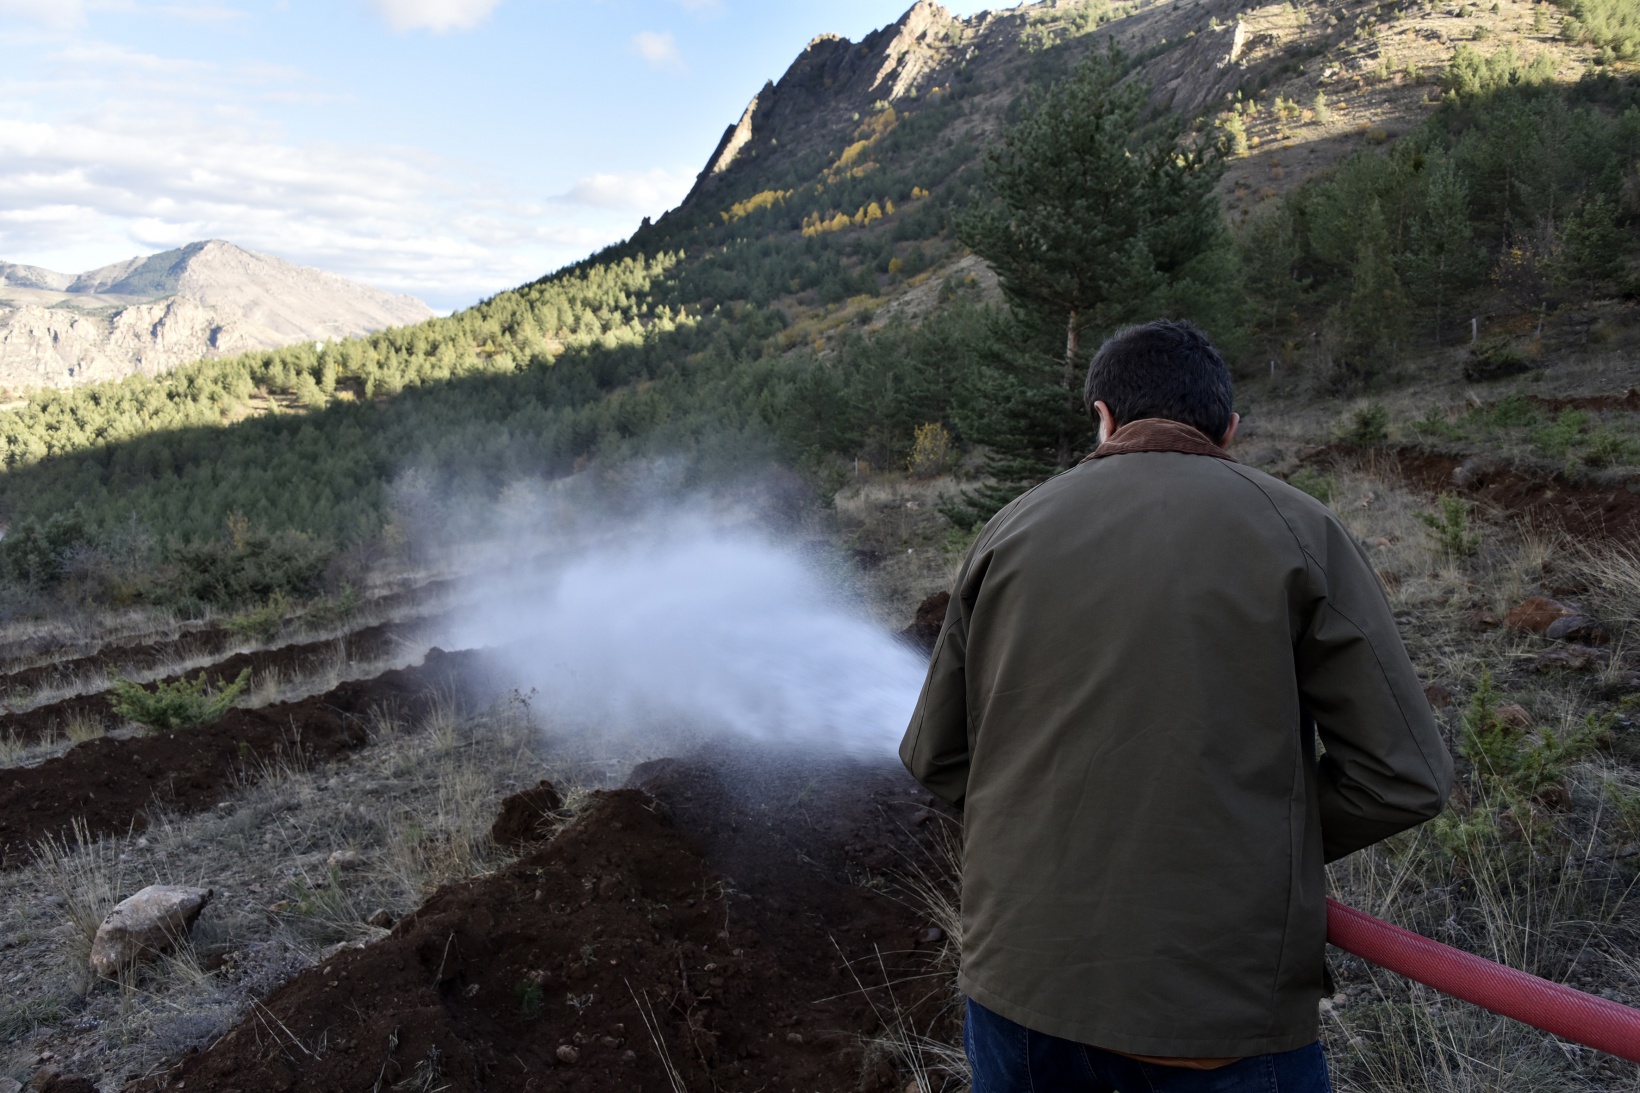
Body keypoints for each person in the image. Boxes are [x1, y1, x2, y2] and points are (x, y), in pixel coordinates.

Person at [900, 319, 1453, 1093]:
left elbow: (933, 753)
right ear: (1228, 428)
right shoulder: (1300, 529)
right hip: (1214, 1008)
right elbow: (1406, 775)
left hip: (1019, 992)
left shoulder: (1009, 529)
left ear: (1101, 416)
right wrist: (1244, 844)